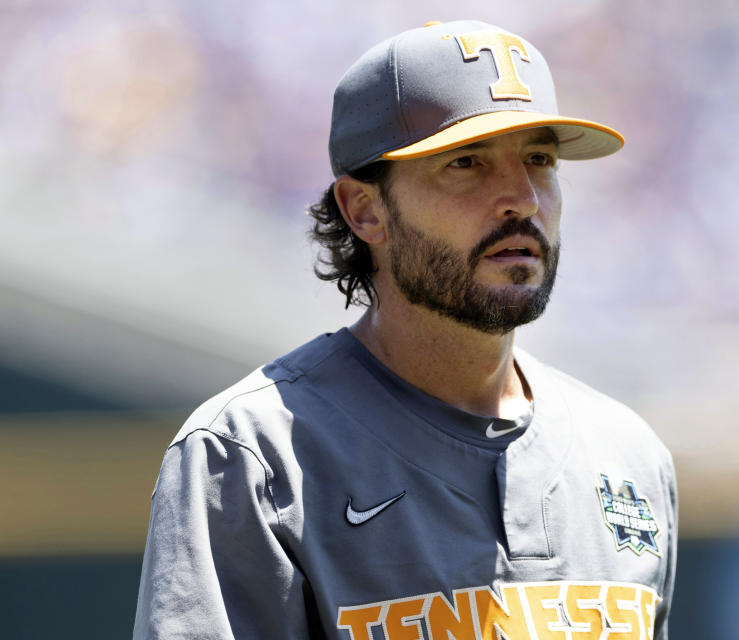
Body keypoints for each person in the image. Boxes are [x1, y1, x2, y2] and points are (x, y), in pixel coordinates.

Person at [134, 19, 677, 640]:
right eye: (467, 163)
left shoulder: (628, 456)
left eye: (539, 159)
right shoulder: (251, 455)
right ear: (365, 209)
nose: (522, 199)